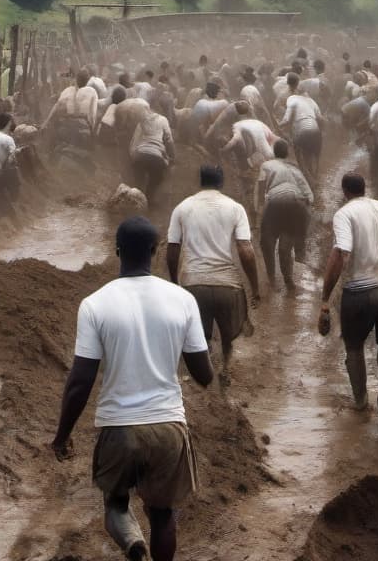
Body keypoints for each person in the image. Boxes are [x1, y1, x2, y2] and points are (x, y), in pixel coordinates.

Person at [51, 217, 214, 561]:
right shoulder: (183, 300)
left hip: (119, 428)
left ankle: (133, 546)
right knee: (163, 515)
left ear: (117, 251)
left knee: (116, 504)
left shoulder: (95, 304)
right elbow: (203, 374)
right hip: (168, 426)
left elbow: (80, 381)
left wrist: (62, 435)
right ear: (156, 252)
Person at [319, 172, 378, 437]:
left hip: (358, 293)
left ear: (344, 191)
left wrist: (325, 298)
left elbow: (341, 253)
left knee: (353, 347)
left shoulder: (344, 214)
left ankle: (361, 402)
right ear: (366, 188)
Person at [168, 166, 262, 386]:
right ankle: (226, 368)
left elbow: (173, 249)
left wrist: (174, 283)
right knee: (229, 335)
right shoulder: (235, 208)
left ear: (200, 181)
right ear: (222, 183)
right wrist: (255, 288)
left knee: (199, 336)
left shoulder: (183, 208)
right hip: (227, 285)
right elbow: (245, 250)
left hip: (193, 283)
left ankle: (204, 376)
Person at [257, 139, 314, 291]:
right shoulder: (294, 168)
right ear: (287, 153)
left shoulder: (266, 165)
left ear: (274, 152)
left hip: (275, 201)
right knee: (285, 247)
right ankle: (288, 280)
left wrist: (258, 210)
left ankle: (271, 278)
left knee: (266, 242)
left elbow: (261, 187)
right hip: (296, 203)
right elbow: (309, 195)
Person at [41, 68, 100, 159]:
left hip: (68, 126)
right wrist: (91, 131)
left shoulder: (67, 90)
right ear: (87, 80)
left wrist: (46, 122)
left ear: (76, 79)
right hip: (83, 127)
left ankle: (51, 154)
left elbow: (56, 106)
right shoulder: (92, 92)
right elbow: (93, 115)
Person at [281, 73, 325, 181]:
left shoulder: (291, 99)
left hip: (302, 132)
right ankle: (315, 174)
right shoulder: (312, 101)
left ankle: (305, 174)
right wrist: (322, 131)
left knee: (298, 151)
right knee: (314, 155)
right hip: (316, 132)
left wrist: (278, 126)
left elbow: (286, 120)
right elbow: (321, 119)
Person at [130, 110, 175, 207]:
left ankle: (136, 202)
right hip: (156, 157)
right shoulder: (163, 120)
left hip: (140, 155)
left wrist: (133, 158)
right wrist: (172, 156)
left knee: (138, 182)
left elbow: (133, 143)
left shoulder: (141, 122)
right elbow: (169, 139)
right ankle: (149, 199)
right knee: (156, 180)